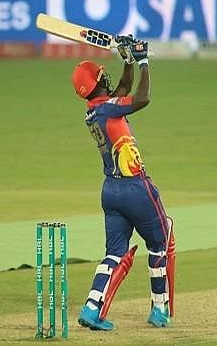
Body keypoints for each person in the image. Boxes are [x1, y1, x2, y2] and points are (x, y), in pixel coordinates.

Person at [72, 35, 175, 331]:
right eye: (102, 76)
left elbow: (123, 90)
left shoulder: (95, 110)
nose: (106, 77)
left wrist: (127, 58)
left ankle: (92, 308)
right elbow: (141, 98)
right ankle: (159, 310)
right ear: (98, 84)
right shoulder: (108, 108)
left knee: (114, 252)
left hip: (111, 191)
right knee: (160, 242)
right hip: (135, 187)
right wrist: (143, 61)